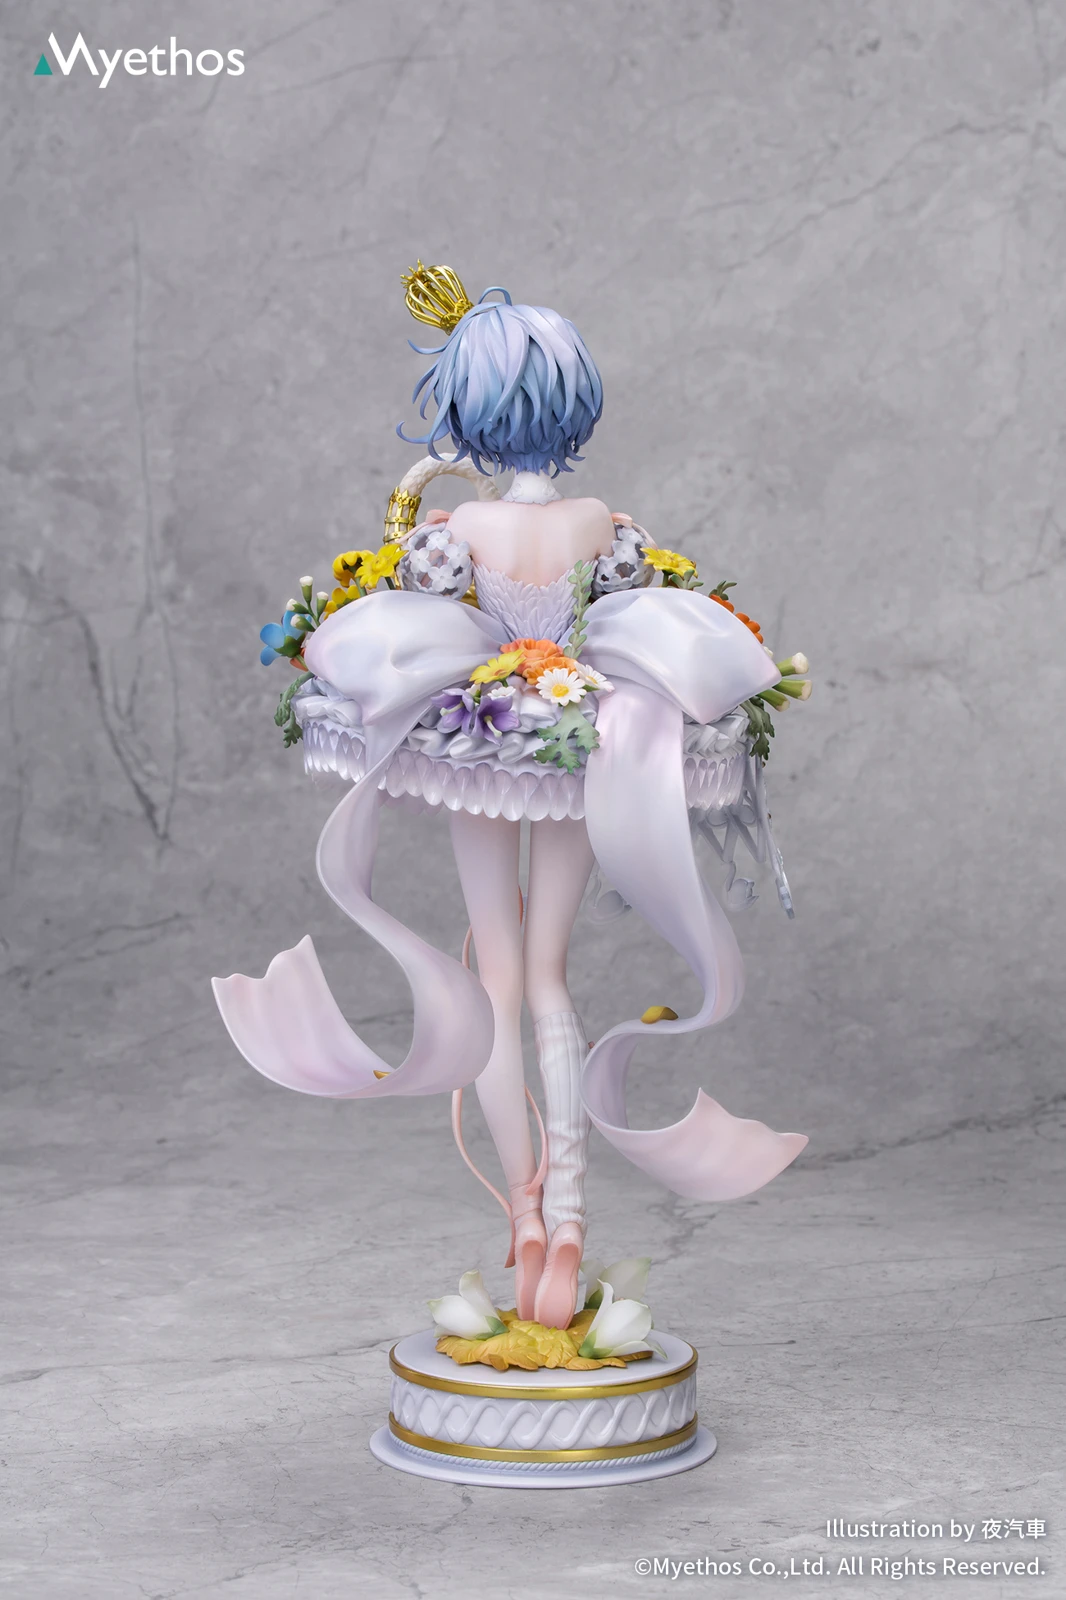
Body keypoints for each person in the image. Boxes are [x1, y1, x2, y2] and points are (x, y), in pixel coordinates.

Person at [214, 266, 807, 1331]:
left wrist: (428, 496)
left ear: (472, 411)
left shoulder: (461, 530)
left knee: (493, 971)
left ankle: (526, 1210)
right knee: (546, 979)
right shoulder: (601, 523)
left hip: (487, 740)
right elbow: (631, 598)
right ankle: (570, 1211)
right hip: (577, 747)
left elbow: (410, 589)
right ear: (570, 407)